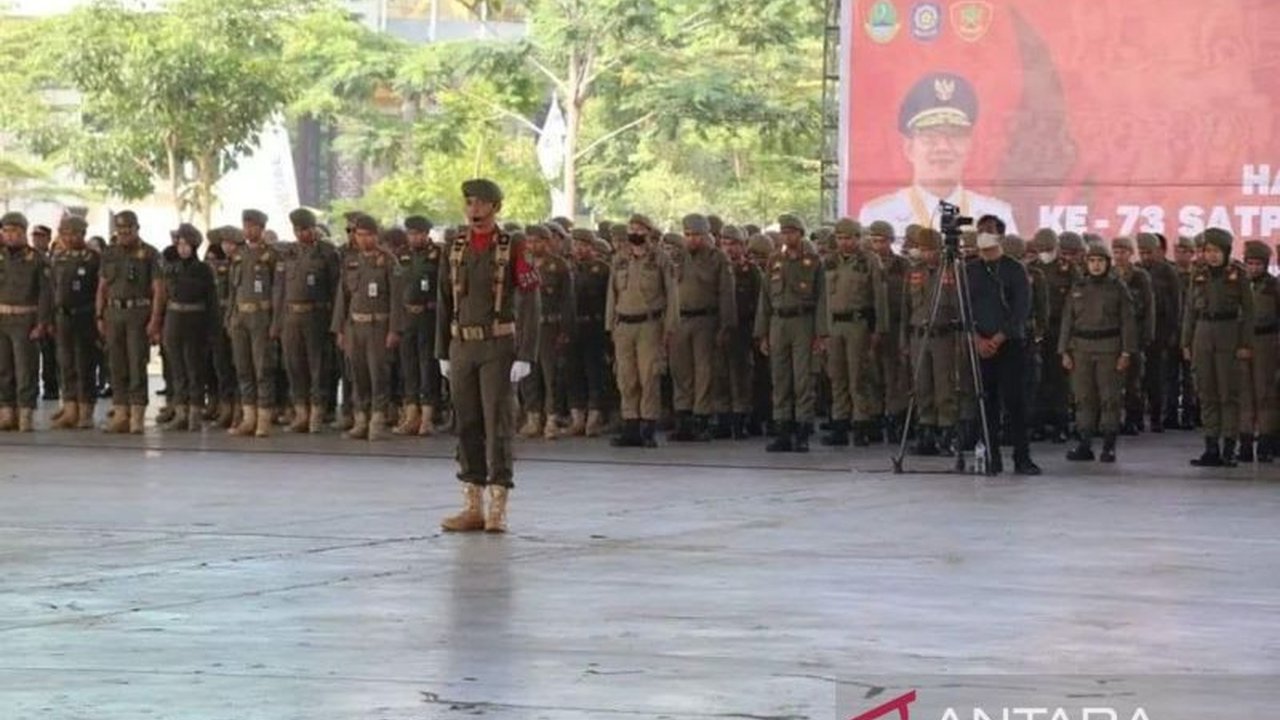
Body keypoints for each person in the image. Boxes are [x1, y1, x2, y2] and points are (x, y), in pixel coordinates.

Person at [436, 179, 540, 533]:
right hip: (462, 345)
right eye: (469, 203)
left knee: (498, 424)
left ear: (496, 207)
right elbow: (444, 301)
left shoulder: (513, 246)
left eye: (481, 203)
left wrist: (526, 352)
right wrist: (442, 351)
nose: (473, 209)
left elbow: (529, 298)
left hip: (498, 346)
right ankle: (472, 503)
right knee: (466, 423)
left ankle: (498, 505)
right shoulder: (454, 246)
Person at [859, 72, 1019, 237]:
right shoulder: (879, 215)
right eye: (930, 137)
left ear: (969, 146)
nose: (943, 147)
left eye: (954, 136)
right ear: (909, 148)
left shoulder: (996, 216)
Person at [965, 230, 1040, 474]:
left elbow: (1021, 309)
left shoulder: (1015, 269)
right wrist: (977, 339)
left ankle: (1022, 458)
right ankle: (990, 457)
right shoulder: (970, 270)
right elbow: (964, 308)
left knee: (1015, 402)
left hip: (1010, 344)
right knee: (986, 403)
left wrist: (998, 338)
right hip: (980, 345)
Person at [755, 213, 827, 453]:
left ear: (801, 234)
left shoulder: (814, 262)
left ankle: (802, 430)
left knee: (803, 379)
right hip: (778, 321)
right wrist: (762, 333)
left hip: (803, 321)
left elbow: (821, 300)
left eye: (792, 232)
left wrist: (821, 334)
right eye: (784, 232)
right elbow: (765, 299)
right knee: (780, 377)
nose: (788, 236)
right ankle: (782, 429)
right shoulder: (774, 260)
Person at [1058, 243, 1137, 462]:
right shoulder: (1078, 287)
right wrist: (1063, 350)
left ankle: (1109, 445)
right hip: (1081, 349)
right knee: (1083, 398)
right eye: (1092, 261)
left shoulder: (1118, 288)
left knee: (1109, 398)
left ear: (1107, 263)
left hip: (1109, 349)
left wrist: (1127, 352)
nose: (1095, 265)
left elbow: (1128, 322)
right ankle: (1084, 443)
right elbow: (1068, 320)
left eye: (1100, 261)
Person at [606, 214, 679, 449]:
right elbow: (612, 294)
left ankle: (647, 427)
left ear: (648, 232)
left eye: (639, 228)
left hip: (650, 325)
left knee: (649, 376)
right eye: (631, 228)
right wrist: (611, 325)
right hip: (624, 325)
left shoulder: (660, 259)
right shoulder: (620, 259)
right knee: (626, 377)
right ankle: (630, 425)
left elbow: (672, 295)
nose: (634, 232)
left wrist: (669, 327)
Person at [1183, 228, 1254, 467]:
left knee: (1228, 394)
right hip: (1203, 332)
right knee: (1207, 392)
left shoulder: (1238, 275)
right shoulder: (1198, 273)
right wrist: (1186, 341)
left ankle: (1228, 448)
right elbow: (1189, 311)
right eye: (1207, 251)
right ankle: (1210, 447)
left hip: (1229, 332)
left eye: (1216, 251)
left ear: (1226, 252)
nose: (1211, 256)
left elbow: (1249, 312)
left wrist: (1245, 343)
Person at [332, 213, 403, 441]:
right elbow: (343, 298)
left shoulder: (388, 261)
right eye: (358, 235)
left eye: (366, 235)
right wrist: (340, 329)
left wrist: (394, 330)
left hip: (378, 326)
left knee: (378, 375)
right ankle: (360, 419)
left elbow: (396, 299)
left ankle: (378, 421)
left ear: (375, 235)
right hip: (355, 326)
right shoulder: (351, 261)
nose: (361, 239)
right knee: (358, 375)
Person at [668, 213, 735, 442]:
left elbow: (726, 295)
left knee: (705, 371)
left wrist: (725, 326)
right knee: (681, 371)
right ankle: (683, 419)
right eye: (687, 235)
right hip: (679, 321)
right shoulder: (677, 257)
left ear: (706, 235)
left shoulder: (718, 259)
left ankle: (702, 419)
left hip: (706, 320)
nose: (691, 240)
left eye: (696, 235)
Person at [273, 208, 340, 434]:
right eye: (298, 230)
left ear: (314, 229)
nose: (302, 234)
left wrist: (335, 323)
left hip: (317, 316)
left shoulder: (327, 253)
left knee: (318, 366)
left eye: (306, 229)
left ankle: (317, 412)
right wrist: (277, 321)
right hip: (291, 317)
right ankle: (301, 412)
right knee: (294, 366)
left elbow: (335, 290)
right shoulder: (288, 253)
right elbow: (279, 290)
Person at [822, 218, 888, 447]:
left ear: (858, 238)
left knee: (858, 375)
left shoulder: (868, 261)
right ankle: (840, 423)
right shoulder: (829, 261)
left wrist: (879, 329)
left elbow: (879, 298)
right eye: (840, 238)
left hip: (858, 324)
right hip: (834, 325)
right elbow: (823, 299)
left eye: (848, 238)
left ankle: (862, 423)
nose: (844, 242)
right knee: (836, 375)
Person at [96, 210, 162, 434]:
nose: (124, 234)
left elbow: (158, 290)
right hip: (113, 313)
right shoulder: (110, 253)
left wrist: (155, 320)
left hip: (138, 313)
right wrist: (99, 315)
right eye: (120, 231)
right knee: (116, 365)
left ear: (137, 229)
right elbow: (102, 287)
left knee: (136, 364)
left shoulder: (150, 254)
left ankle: (136, 417)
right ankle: (120, 413)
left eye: (128, 230)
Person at [901, 228, 961, 455]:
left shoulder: (953, 271)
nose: (925, 254)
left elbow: (960, 307)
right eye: (922, 249)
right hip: (918, 336)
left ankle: (947, 433)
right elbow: (906, 309)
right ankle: (926, 431)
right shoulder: (914, 272)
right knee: (922, 386)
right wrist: (903, 342)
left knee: (944, 386)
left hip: (944, 335)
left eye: (930, 250)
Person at [518, 224, 575, 440]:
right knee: (528, 374)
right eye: (530, 241)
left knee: (551, 375)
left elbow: (568, 301)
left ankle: (551, 418)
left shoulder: (559, 266)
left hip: (550, 326)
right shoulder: (523, 265)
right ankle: (533, 417)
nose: (533, 245)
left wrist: (565, 330)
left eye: (538, 241)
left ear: (547, 241)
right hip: (527, 328)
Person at [160, 224, 218, 431]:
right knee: (176, 369)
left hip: (195, 321)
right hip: (174, 319)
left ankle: (194, 413)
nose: (182, 248)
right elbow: (164, 296)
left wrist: (213, 329)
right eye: (179, 244)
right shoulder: (172, 267)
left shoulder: (203, 270)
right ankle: (180, 412)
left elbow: (211, 300)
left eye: (186, 244)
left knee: (194, 368)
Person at [226, 209, 279, 438]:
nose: (249, 230)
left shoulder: (272, 256)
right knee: (243, 368)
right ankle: (248, 418)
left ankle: (264, 418)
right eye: (245, 226)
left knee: (262, 369)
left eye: (253, 226)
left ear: (261, 228)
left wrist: (276, 322)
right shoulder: (238, 255)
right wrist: (229, 318)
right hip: (240, 317)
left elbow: (278, 291)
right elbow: (232, 291)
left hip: (261, 317)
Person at [0, 212, 53, 432]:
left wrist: (41, 323)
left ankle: (25, 413)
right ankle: (6, 412)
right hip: (2, 318)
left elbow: (45, 294)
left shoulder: (38, 259)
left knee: (25, 369)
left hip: (26, 319)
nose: (9, 236)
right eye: (5, 231)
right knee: (3, 369)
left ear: (23, 233)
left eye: (14, 231)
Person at [48, 216, 100, 430]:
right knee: (65, 363)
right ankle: (70, 410)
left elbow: (101, 289)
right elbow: (52, 290)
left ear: (83, 234)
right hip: (62, 317)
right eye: (65, 234)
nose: (69, 238)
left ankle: (86, 411)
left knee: (85, 364)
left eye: (73, 233)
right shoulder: (58, 258)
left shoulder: (94, 259)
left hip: (85, 316)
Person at [394, 215, 444, 436]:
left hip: (428, 317)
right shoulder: (401, 255)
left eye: (418, 234)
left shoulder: (437, 256)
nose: (414, 237)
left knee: (428, 367)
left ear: (426, 234)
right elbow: (396, 290)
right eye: (411, 233)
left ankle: (427, 418)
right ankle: (411, 415)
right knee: (409, 368)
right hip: (407, 318)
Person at [565, 228, 611, 437]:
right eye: (575, 245)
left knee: (595, 373)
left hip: (595, 326)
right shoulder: (569, 269)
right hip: (573, 327)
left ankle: (594, 417)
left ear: (592, 247)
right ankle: (577, 418)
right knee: (573, 373)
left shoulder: (602, 270)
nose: (578, 249)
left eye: (583, 245)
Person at [1136, 232, 1183, 433]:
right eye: (1142, 252)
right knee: (1137, 377)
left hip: (1161, 331)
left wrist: (1173, 332)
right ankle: (1135, 417)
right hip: (1138, 330)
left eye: (1149, 252)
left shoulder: (1168, 272)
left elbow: (1176, 305)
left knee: (1157, 377)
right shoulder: (1136, 272)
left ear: (1158, 251)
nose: (1145, 256)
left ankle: (1157, 417)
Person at [867, 220, 908, 443]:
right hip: (869, 326)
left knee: (894, 375)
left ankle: (894, 418)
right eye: (873, 241)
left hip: (894, 325)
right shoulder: (865, 264)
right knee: (871, 374)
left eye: (881, 241)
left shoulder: (903, 266)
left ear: (891, 241)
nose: (877, 245)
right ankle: (873, 417)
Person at [1110, 236, 1155, 435]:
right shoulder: (1109, 274)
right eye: (1116, 252)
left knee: (1133, 381)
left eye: (1123, 252)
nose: (1119, 256)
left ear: (1130, 253)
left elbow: (1149, 307)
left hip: (1134, 333)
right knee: (1113, 381)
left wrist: (1147, 335)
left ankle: (1133, 418)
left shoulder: (1140, 276)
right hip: (1112, 334)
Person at [1238, 240, 1277, 462]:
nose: (1253, 268)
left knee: (1265, 394)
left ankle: (1265, 442)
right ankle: (1244, 442)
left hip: (1267, 341)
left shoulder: (1273, 287)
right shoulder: (1239, 285)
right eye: (1249, 263)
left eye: (1257, 264)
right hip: (1243, 341)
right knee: (1244, 394)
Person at [205, 227, 240, 429]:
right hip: (217, 319)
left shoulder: (240, 263)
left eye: (230, 243)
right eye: (224, 243)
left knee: (239, 366)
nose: (227, 247)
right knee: (221, 365)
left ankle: (238, 408)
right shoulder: (215, 266)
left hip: (236, 318)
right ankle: (225, 406)